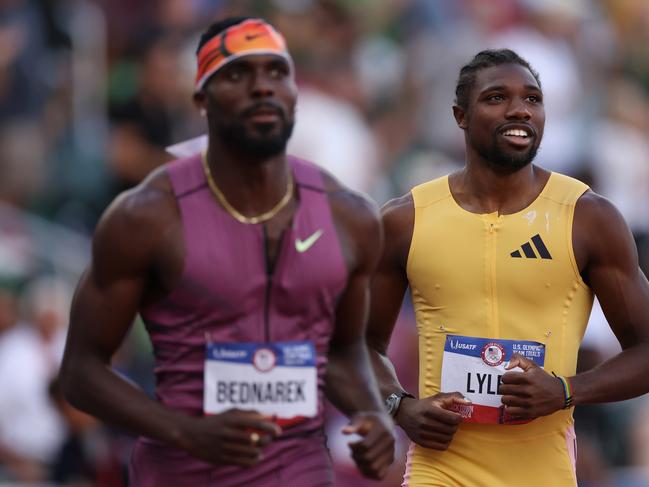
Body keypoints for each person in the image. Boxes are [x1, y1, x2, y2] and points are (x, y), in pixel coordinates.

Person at [60, 16, 394, 487]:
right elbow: (80, 371)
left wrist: (372, 412)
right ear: (201, 100)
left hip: (299, 471)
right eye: (238, 74)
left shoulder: (350, 217)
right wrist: (185, 431)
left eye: (277, 73)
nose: (262, 88)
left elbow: (341, 351)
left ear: (296, 94)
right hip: (179, 472)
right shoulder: (147, 216)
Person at [366, 48, 649, 486]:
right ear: (461, 115)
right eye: (497, 97)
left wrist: (567, 390)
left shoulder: (587, 217)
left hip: (542, 470)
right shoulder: (407, 219)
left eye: (532, 99)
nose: (520, 110)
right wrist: (400, 406)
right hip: (440, 469)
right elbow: (357, 346)